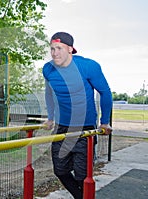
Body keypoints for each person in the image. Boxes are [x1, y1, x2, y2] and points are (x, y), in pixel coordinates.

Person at [42, 32, 113, 199]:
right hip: (62, 128)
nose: (54, 53)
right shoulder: (48, 69)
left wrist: (104, 122)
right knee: (60, 170)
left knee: (82, 176)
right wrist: (51, 117)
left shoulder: (88, 66)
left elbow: (105, 92)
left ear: (70, 49)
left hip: (84, 129)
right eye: (52, 49)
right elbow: (49, 93)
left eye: (59, 48)